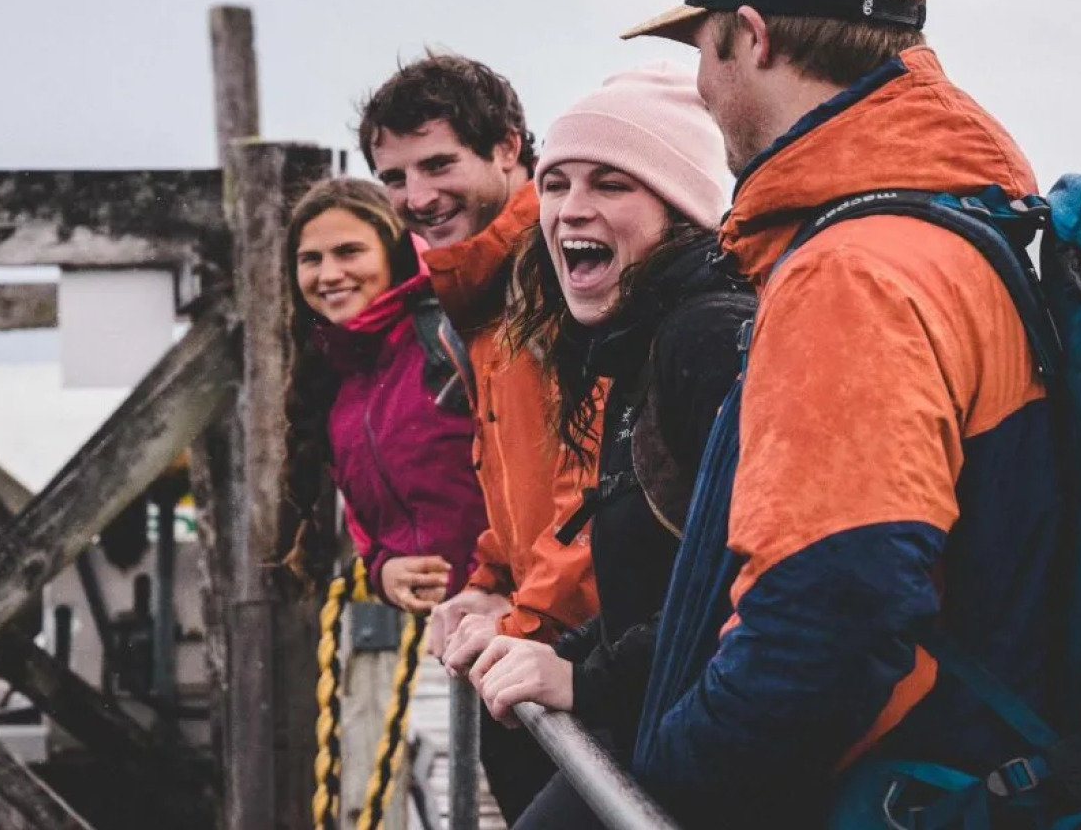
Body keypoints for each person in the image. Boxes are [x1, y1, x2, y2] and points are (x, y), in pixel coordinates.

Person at [622, 0, 1062, 828]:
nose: (701, 87)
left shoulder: (851, 275)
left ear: (751, 36)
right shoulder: (964, 226)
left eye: (702, 51)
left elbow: (826, 629)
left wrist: (671, 782)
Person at [464, 63, 753, 829]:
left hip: (716, 753)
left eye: (611, 185)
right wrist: (561, 650)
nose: (569, 211)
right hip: (659, 726)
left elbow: (744, 586)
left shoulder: (706, 338)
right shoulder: (632, 343)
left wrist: (586, 678)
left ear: (682, 210)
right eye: (555, 184)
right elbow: (657, 580)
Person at [358, 52, 600, 819]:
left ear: (506, 147)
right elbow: (506, 468)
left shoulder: (563, 269)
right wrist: (485, 582)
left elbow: (594, 477)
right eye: (394, 178)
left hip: (583, 652)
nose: (417, 197)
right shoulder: (479, 289)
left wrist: (525, 621)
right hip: (535, 641)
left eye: (437, 164)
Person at [279, 177, 488, 612]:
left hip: (516, 613)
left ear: (394, 253)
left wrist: (489, 581)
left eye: (349, 252)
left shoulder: (450, 335)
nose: (329, 274)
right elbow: (371, 526)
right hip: (448, 627)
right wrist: (384, 569)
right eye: (310, 259)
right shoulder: (334, 378)